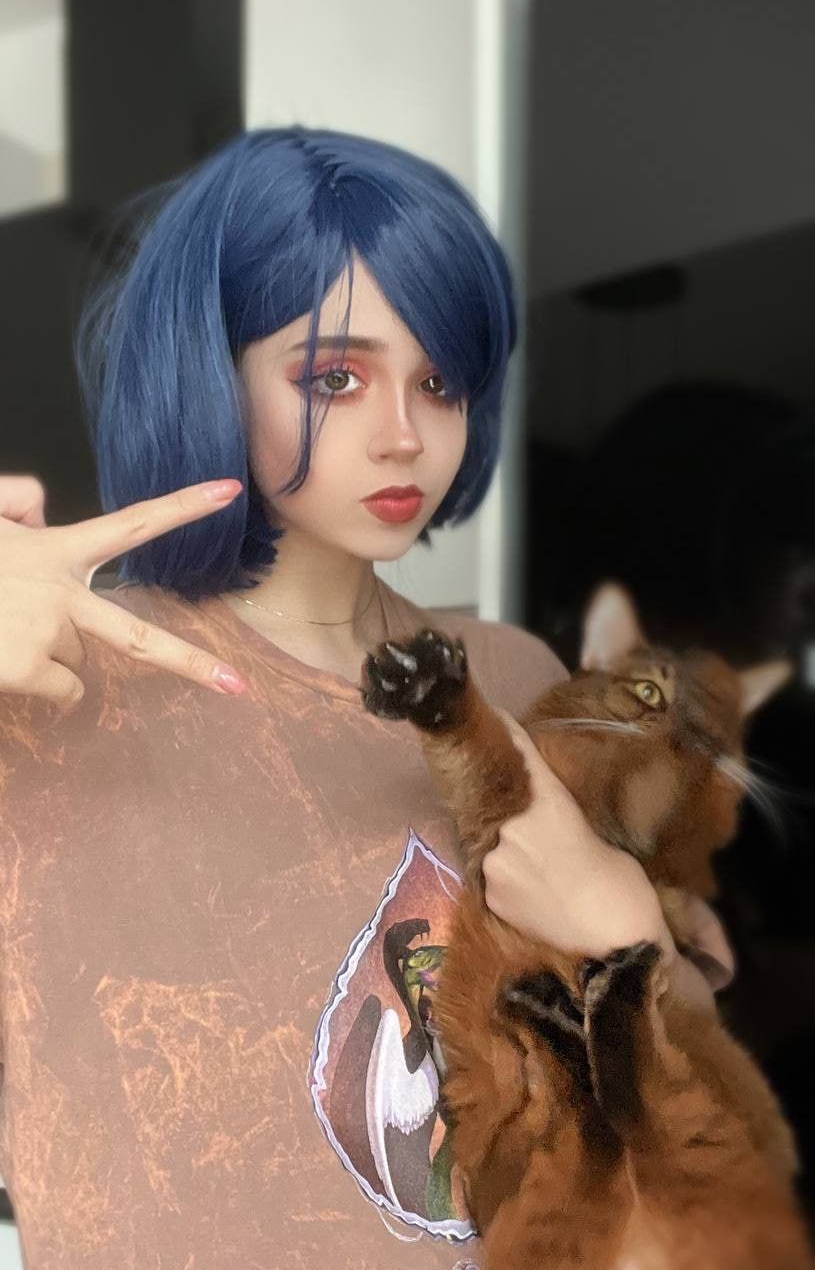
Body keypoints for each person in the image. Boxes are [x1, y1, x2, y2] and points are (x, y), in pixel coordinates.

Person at [0, 128, 729, 1269]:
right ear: (208, 370)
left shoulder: (516, 682)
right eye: (333, 378)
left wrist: (620, 923)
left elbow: (690, 1135)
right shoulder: (54, 681)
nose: (402, 435)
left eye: (438, 382)